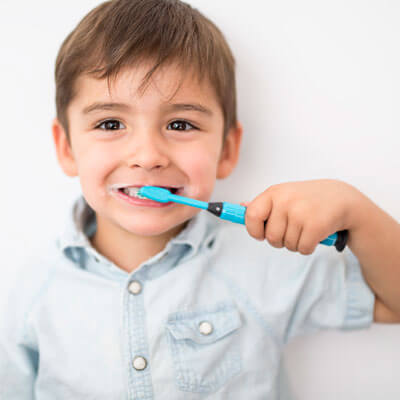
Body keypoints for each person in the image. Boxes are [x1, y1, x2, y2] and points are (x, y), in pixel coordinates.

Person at [1, 0, 400, 398]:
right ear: (67, 147)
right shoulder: (28, 295)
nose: (147, 156)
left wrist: (356, 212)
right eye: (110, 123)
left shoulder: (266, 263)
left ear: (226, 150)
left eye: (180, 124)